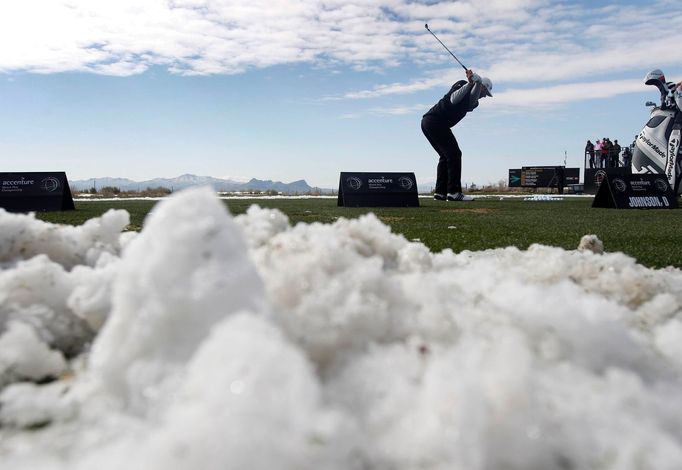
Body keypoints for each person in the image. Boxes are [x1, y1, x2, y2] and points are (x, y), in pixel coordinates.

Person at [422, 69, 493, 201]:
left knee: (445, 156)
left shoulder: (475, 103)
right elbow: (454, 99)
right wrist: (470, 83)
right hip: (434, 121)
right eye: (485, 93)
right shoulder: (461, 84)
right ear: (483, 87)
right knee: (454, 154)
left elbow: (471, 100)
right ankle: (454, 192)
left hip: (433, 123)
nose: (484, 96)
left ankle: (440, 192)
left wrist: (475, 84)